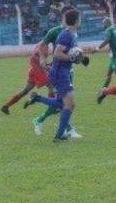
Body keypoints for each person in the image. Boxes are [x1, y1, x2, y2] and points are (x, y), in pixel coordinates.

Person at [25, 9, 83, 142]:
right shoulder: (66, 35)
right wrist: (71, 58)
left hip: (63, 72)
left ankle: (37, 99)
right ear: (76, 21)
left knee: (62, 103)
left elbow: (70, 53)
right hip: (59, 73)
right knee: (69, 105)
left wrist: (79, 58)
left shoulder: (71, 34)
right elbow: (57, 53)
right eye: (79, 18)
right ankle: (59, 135)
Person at [96, 18, 116, 89]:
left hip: (115, 53)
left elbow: (106, 40)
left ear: (106, 24)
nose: (103, 26)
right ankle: (104, 89)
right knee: (109, 73)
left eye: (103, 24)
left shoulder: (109, 30)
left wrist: (97, 48)